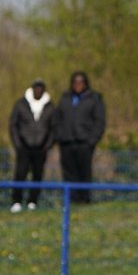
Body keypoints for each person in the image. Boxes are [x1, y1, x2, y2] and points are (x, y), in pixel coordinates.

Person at [53, 71, 105, 204]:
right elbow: (57, 119)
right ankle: (71, 200)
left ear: (86, 84)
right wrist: (59, 136)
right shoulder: (65, 98)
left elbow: (99, 122)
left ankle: (84, 199)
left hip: (84, 142)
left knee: (84, 172)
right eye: (75, 82)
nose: (78, 85)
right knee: (68, 173)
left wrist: (91, 140)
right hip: (66, 142)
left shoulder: (94, 99)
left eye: (81, 82)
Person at [9, 78, 54, 213]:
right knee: (20, 174)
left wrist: (47, 145)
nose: (38, 91)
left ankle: (33, 202)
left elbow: (54, 127)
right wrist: (18, 144)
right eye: (36, 88)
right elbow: (13, 125)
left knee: (37, 175)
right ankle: (16, 201)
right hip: (23, 147)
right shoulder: (21, 104)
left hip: (41, 148)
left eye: (41, 88)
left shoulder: (50, 106)